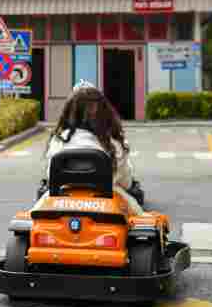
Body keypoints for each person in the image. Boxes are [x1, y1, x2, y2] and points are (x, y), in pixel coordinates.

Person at [42, 82, 144, 215]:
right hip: (106, 202)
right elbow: (126, 183)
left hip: (62, 200)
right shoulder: (113, 143)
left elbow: (50, 176)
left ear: (70, 112)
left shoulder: (59, 139)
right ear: (105, 113)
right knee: (137, 219)